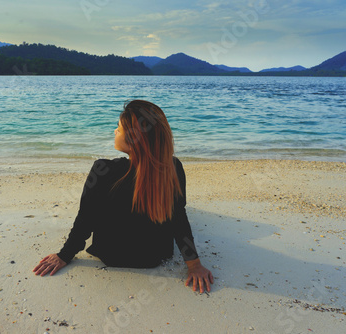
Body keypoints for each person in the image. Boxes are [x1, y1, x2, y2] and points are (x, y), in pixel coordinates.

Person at [33, 100, 214, 293]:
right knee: (172, 208)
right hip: (155, 256)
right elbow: (179, 220)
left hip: (110, 254)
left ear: (134, 139)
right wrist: (194, 265)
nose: (114, 131)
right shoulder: (172, 168)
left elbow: (86, 219)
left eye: (118, 128)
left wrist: (64, 255)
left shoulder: (102, 170)